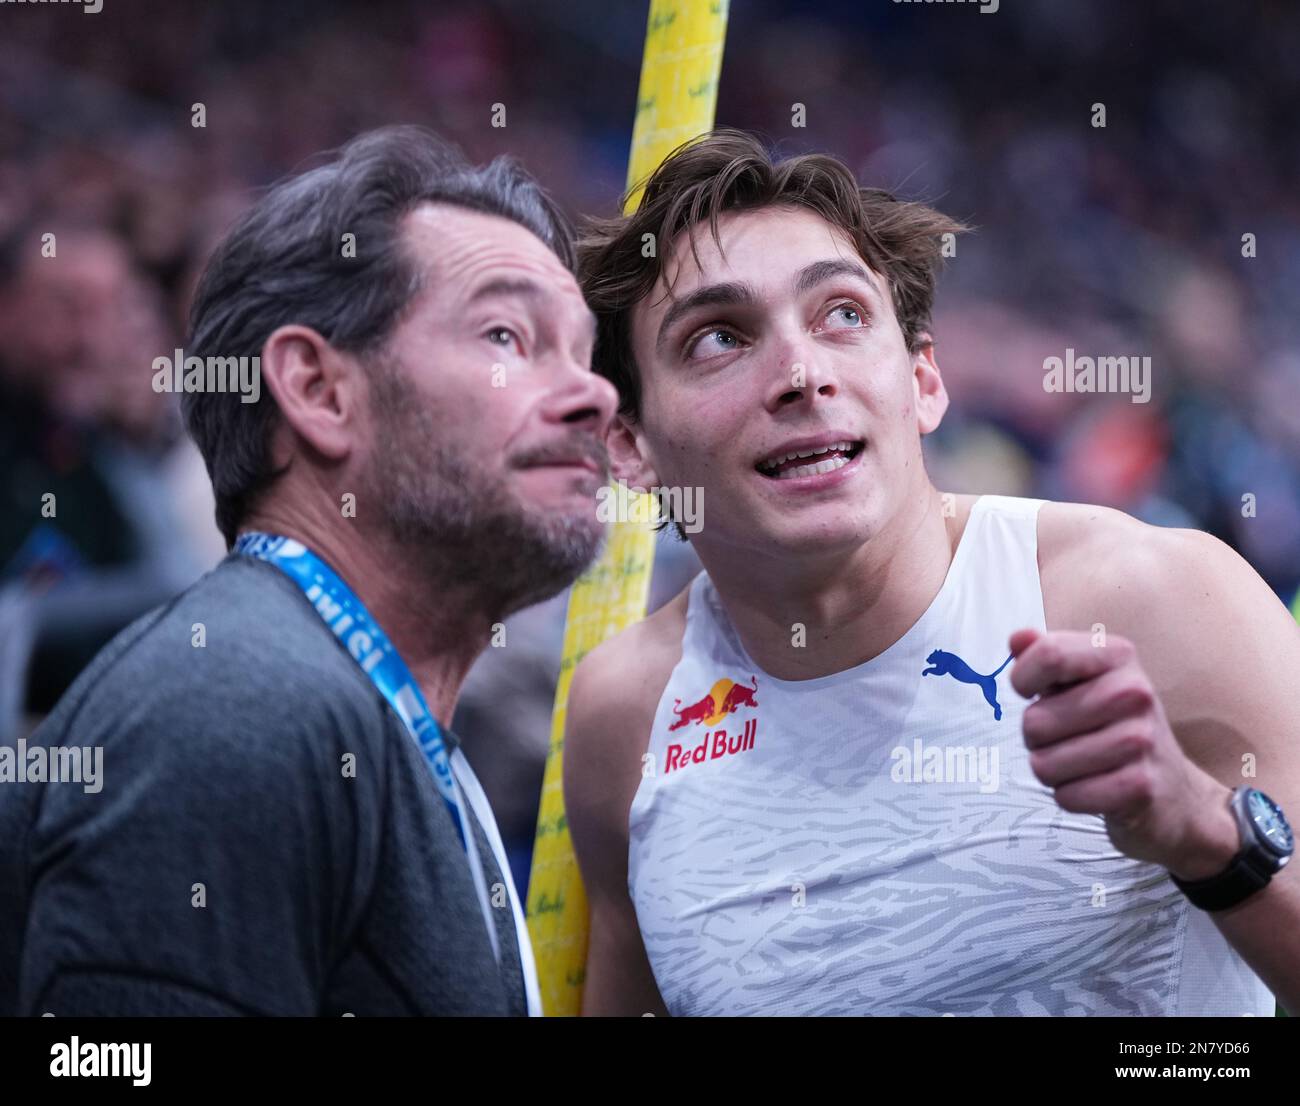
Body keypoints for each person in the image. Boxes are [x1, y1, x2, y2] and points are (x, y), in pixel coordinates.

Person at [565, 129, 1300, 1016]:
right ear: (631, 448)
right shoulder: (624, 718)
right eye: (720, 338)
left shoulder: (1157, 597)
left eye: (842, 314)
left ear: (923, 381)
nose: (802, 374)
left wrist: (1207, 832)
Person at [0, 125, 619, 1016]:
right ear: (321, 391)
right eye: (506, 335)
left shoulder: (346, 710)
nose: (593, 393)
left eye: (583, 352)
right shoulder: (230, 703)